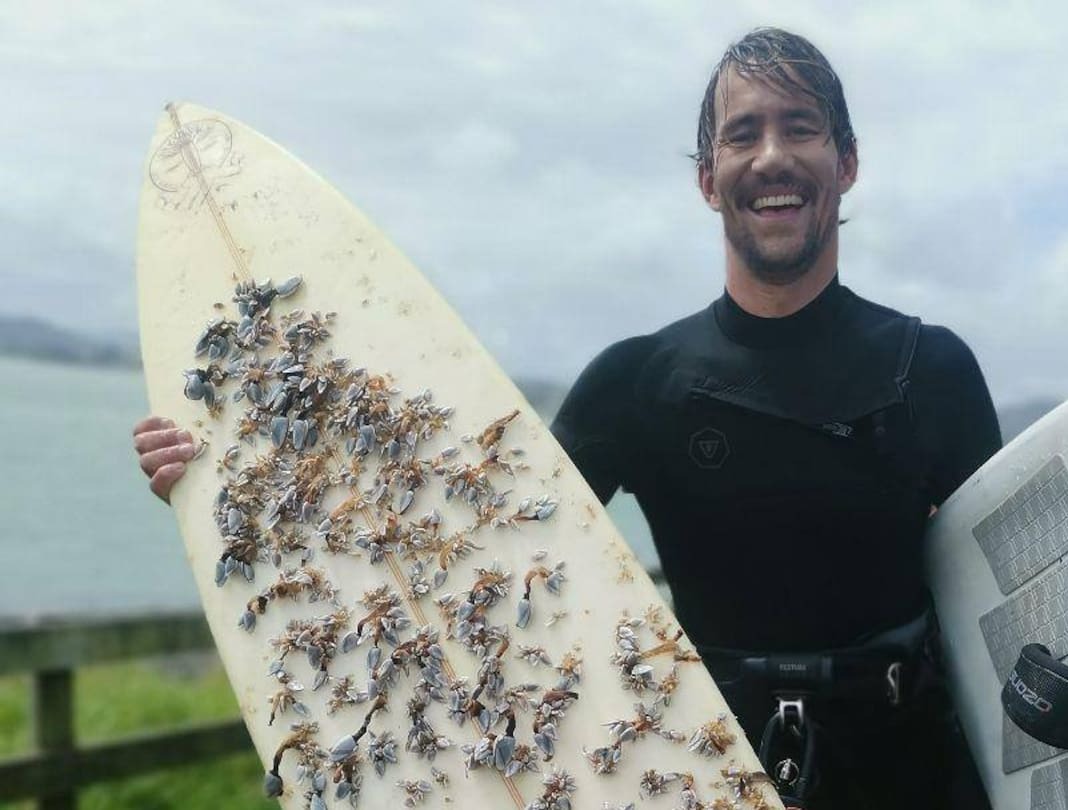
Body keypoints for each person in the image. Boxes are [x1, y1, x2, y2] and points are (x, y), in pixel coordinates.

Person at [135, 28, 1000, 809]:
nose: (771, 155)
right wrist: (231, 473)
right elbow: (465, 549)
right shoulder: (639, 381)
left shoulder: (932, 372)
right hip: (698, 774)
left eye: (801, 127)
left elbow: (1019, 606)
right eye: (742, 133)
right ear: (707, 179)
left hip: (916, 777)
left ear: (846, 161)